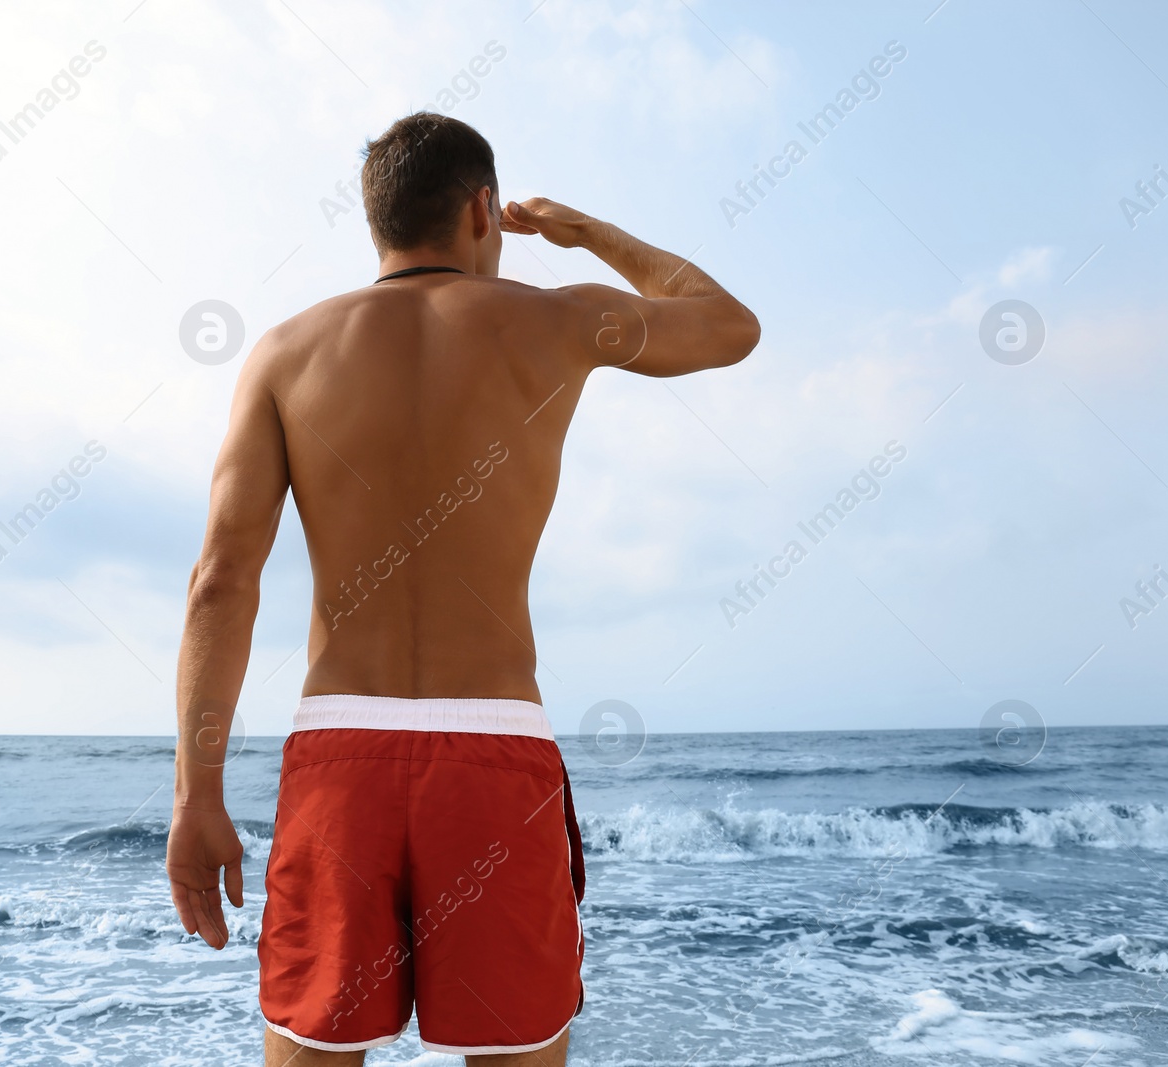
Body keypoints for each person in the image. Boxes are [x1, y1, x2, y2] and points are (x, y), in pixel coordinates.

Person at [166, 111, 759, 1066]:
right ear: (485, 208)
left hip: (341, 759)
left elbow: (219, 585)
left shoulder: (282, 352)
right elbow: (733, 327)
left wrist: (198, 793)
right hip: (494, 753)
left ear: (378, 224)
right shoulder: (560, 316)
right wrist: (587, 234)